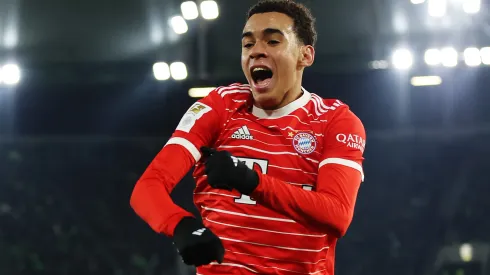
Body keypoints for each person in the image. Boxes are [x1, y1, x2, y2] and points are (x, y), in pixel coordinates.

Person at [130, 0, 366, 274]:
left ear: (306, 55)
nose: (256, 52)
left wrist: (249, 180)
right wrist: (181, 225)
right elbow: (147, 188)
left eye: (273, 41)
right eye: (248, 44)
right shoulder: (221, 105)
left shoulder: (335, 120)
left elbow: (337, 214)